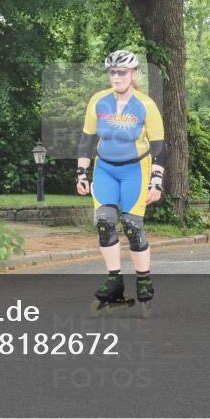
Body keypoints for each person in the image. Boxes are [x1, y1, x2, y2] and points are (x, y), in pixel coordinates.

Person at [77, 50, 166, 315]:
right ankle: (114, 279)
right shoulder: (98, 101)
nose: (116, 77)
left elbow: (160, 147)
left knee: (132, 225)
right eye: (112, 72)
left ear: (133, 74)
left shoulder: (146, 105)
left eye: (122, 72)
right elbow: (87, 140)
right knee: (104, 222)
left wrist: (156, 181)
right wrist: (81, 173)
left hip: (135, 170)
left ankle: (143, 281)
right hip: (105, 168)